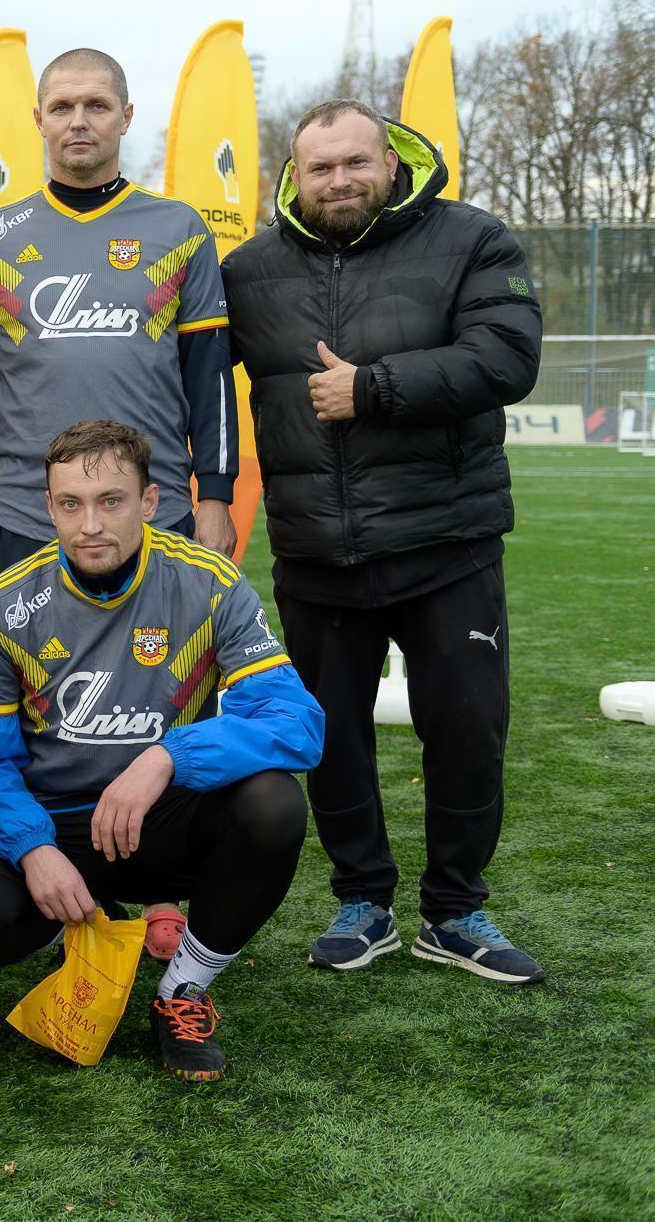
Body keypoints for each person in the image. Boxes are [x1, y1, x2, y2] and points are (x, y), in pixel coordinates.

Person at [222, 99, 545, 984]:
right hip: (316, 553)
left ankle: (455, 908)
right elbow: (177, 367)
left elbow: (508, 358)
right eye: (320, 167)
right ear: (294, 175)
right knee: (328, 737)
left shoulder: (473, 240)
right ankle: (362, 901)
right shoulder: (247, 270)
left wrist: (373, 388)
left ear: (392, 163)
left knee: (468, 730)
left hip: (448, 541)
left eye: (356, 162)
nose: (339, 181)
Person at [0, 421, 322, 1081]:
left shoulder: (208, 583)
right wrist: (32, 848)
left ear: (149, 501)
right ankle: (90, 920)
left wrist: (168, 757)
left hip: (163, 820)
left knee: (274, 806)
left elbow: (296, 720)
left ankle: (182, 989)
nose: (90, 525)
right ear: (49, 506)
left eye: (111, 501)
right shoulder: (7, 605)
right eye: (71, 504)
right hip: (57, 822)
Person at [0, 47, 239, 578]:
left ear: (126, 116)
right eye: (62, 107)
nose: (79, 121)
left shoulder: (180, 229)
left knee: (163, 639)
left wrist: (216, 496)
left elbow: (209, 376)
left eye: (98, 105)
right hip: (29, 513)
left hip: (154, 509)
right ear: (39, 119)